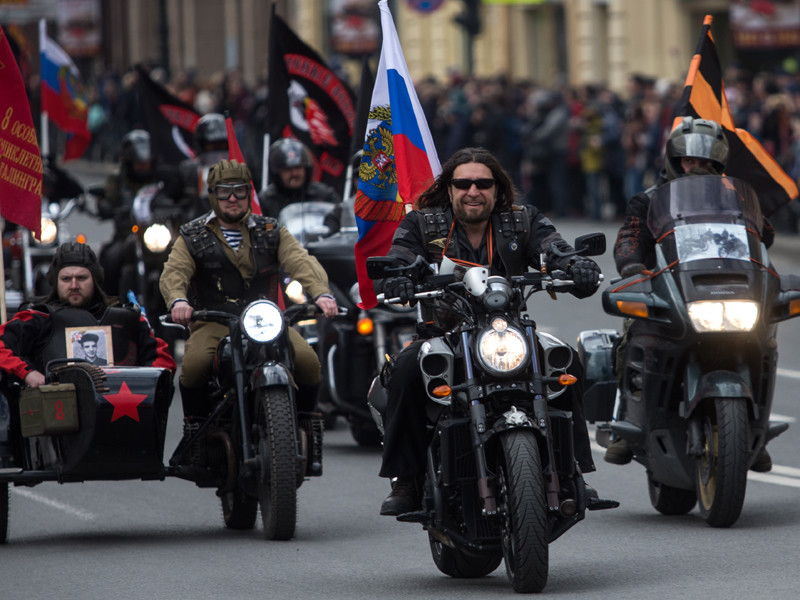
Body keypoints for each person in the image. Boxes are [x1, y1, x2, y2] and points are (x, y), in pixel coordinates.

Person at [375, 147, 602, 516]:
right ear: (449, 189)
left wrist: (576, 265)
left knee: (566, 361)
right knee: (403, 371)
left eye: (483, 183)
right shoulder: (423, 223)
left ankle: (573, 468)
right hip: (442, 333)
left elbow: (553, 248)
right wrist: (400, 276)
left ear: (498, 189)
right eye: (463, 184)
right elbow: (402, 255)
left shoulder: (521, 221)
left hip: (508, 333)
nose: (473, 191)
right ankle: (407, 480)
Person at [605, 116, 773, 471]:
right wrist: (633, 267)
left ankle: (751, 426)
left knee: (766, 337)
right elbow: (630, 238)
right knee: (630, 339)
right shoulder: (649, 200)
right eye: (688, 160)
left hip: (727, 288)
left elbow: (762, 235)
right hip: (670, 288)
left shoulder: (733, 200)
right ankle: (625, 421)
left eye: (704, 161)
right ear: (673, 160)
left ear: (718, 164)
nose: (694, 167)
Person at [159, 159, 338, 450]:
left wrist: (321, 294)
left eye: (240, 192)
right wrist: (178, 300)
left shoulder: (272, 230)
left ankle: (308, 423)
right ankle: (196, 428)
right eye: (225, 192)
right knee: (193, 367)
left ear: (249, 194)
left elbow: (301, 262)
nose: (233, 199)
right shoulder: (192, 235)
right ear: (213, 195)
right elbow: (174, 272)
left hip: (268, 322)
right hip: (214, 322)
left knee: (308, 362)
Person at [0, 241, 176, 389]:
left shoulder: (127, 318)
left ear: (95, 280)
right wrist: (27, 372)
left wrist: (146, 385)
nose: (74, 285)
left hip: (120, 416)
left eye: (82, 278)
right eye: (66, 279)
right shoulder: (37, 318)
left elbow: (163, 361)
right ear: (56, 282)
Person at [98, 129, 181, 297]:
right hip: (128, 234)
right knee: (110, 259)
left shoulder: (164, 178)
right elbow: (108, 198)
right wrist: (106, 206)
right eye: (138, 163)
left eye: (146, 163)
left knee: (182, 257)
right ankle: (109, 303)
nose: (143, 167)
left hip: (158, 234)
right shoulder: (117, 180)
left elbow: (178, 197)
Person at [258, 138, 342, 235]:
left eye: (298, 167)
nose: (294, 173)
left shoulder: (324, 195)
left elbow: (339, 222)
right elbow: (261, 230)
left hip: (320, 247)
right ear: (277, 172)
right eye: (288, 169)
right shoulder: (266, 200)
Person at [178, 113, 229, 219]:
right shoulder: (188, 170)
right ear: (201, 144)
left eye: (222, 145)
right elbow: (165, 196)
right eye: (212, 145)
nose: (217, 151)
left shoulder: (240, 169)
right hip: (193, 226)